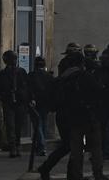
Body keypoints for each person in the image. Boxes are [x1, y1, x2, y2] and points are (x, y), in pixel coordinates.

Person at [38, 42, 84, 180]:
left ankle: (49, 168)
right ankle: (69, 174)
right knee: (73, 146)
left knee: (69, 145)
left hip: (62, 115)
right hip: (73, 115)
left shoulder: (61, 78)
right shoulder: (78, 77)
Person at [60, 51, 108, 180]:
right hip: (89, 116)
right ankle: (98, 174)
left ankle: (77, 175)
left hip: (73, 118)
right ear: (82, 63)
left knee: (76, 149)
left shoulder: (65, 77)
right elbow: (99, 92)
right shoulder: (86, 76)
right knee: (96, 148)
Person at [0, 50, 30, 158]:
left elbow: (27, 88)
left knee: (17, 126)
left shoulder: (21, 72)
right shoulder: (3, 74)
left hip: (19, 102)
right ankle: (13, 147)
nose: (14, 61)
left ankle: (16, 145)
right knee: (11, 126)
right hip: (9, 102)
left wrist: (29, 99)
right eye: (13, 59)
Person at [28, 56, 54, 156]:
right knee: (43, 124)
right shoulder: (48, 76)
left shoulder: (31, 75)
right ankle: (40, 145)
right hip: (46, 103)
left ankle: (41, 146)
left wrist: (31, 99)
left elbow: (29, 89)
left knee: (37, 124)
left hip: (35, 103)